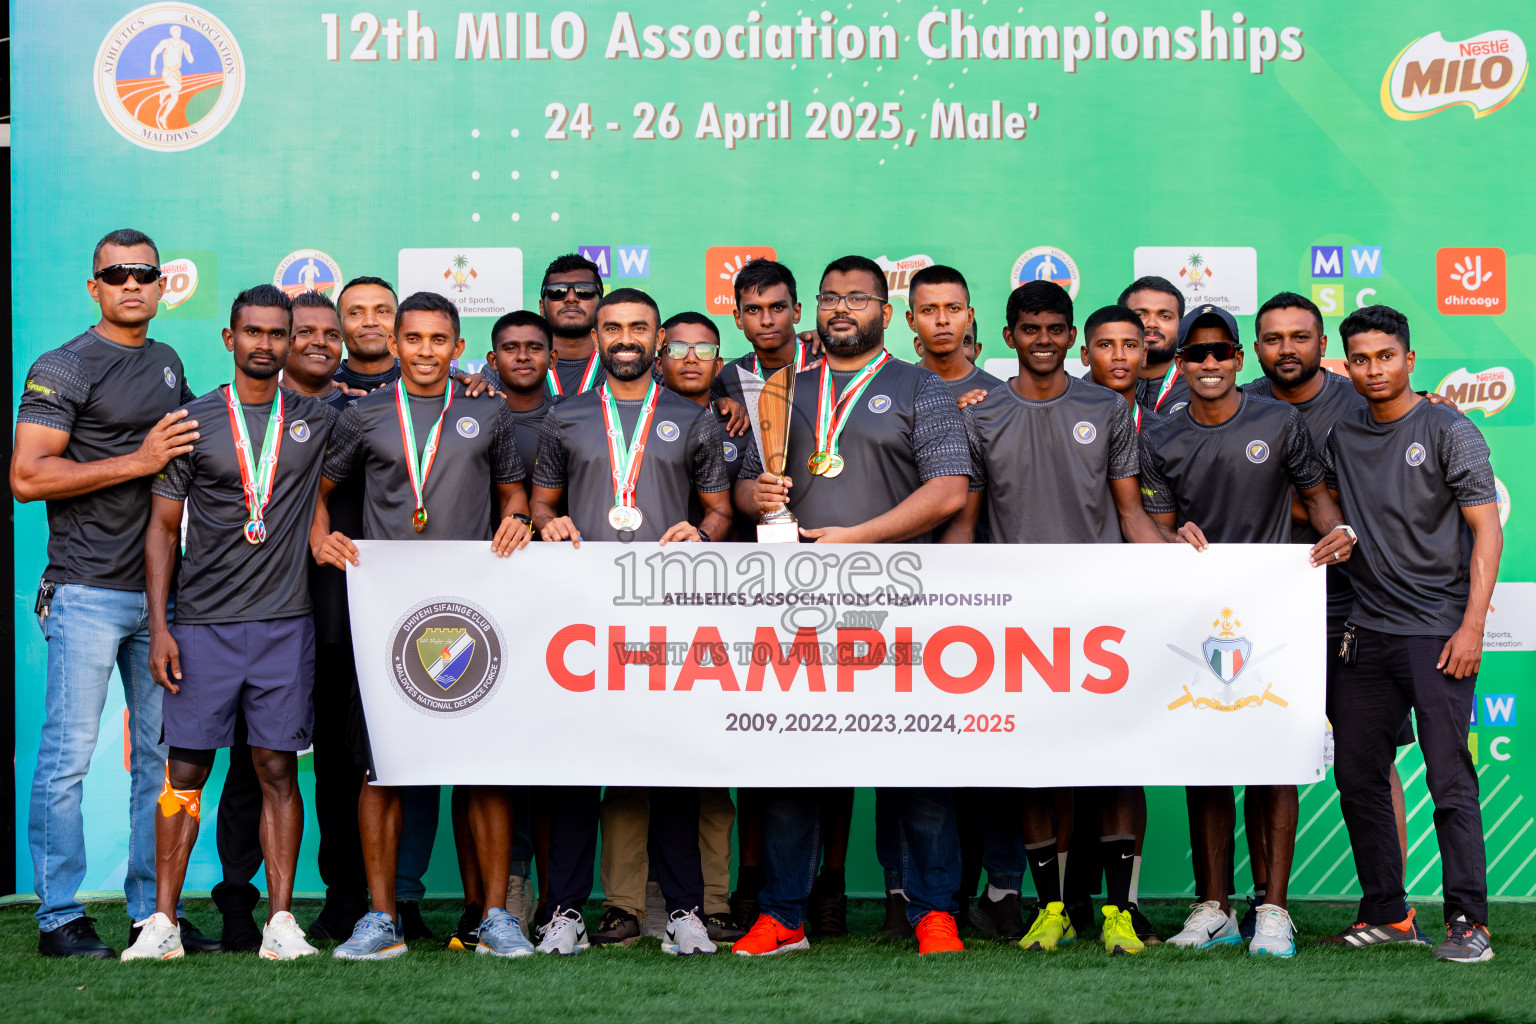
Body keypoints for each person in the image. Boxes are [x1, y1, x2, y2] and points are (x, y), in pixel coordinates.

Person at [733, 255, 972, 957]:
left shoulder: (918, 386)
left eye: (858, 298)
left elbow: (949, 490)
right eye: (831, 298)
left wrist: (856, 541)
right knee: (793, 763)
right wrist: (761, 496)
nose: (843, 309)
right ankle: (783, 915)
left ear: (885, 312)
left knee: (919, 766)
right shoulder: (783, 387)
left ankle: (934, 911)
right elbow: (747, 484)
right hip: (800, 606)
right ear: (815, 309)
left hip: (900, 603)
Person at [12, 228, 217, 959]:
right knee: (68, 757)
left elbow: (210, 438)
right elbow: (28, 476)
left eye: (145, 273)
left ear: (163, 286)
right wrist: (138, 460)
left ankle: (149, 911)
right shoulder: (65, 365)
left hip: (163, 599)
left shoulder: (166, 362)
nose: (133, 284)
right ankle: (58, 916)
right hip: (87, 592)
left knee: (163, 763)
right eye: (116, 274)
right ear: (94, 286)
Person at [312, 291, 535, 959]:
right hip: (389, 616)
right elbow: (318, 494)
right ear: (396, 342)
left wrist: (518, 518)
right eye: (414, 339)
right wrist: (322, 539)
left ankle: (495, 915)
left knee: (484, 767)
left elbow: (512, 492)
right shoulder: (362, 416)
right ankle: (382, 920)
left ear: (457, 346)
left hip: (471, 615)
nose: (427, 351)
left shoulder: (486, 411)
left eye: (440, 340)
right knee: (381, 769)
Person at [124, 285, 338, 961]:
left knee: (276, 765)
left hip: (285, 625)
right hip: (204, 625)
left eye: (280, 333)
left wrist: (471, 386)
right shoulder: (189, 420)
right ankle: (162, 923)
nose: (268, 344)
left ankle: (280, 923)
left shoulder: (316, 419)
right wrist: (160, 627)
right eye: (255, 332)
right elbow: (160, 531)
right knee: (183, 770)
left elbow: (397, 418)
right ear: (229, 338)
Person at [948, 284, 1162, 956]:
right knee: (1038, 766)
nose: (1044, 339)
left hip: (1102, 614)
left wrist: (1188, 574)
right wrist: (948, 600)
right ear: (1008, 336)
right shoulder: (980, 413)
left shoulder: (1106, 406)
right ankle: (1051, 910)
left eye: (1056, 329)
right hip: (1019, 621)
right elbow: (967, 522)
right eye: (1030, 328)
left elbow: (1130, 513)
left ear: (1072, 338)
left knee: (1116, 763)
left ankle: (1118, 912)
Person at [1138, 303, 1355, 958]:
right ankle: (1215, 908)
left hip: (1276, 609)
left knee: (1272, 758)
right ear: (1180, 364)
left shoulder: (1280, 421)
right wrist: (1173, 534)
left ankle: (1275, 910)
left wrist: (1336, 528)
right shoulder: (1162, 437)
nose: (1209, 363)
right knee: (1205, 758)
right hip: (1195, 615)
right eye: (1195, 353)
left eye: (1220, 351)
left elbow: (1314, 494)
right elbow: (1158, 526)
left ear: (1238, 358)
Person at [529, 287, 732, 957]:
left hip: (664, 617)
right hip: (580, 620)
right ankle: (563, 909)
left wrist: (702, 533)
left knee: (668, 761)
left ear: (658, 340)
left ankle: (682, 912)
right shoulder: (565, 416)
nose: (623, 338)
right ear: (597, 330)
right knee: (573, 768)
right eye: (612, 326)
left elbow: (720, 511)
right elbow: (541, 504)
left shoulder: (691, 417)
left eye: (637, 328)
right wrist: (545, 521)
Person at [1323, 305, 1502, 963]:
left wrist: (1471, 628)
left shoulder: (1449, 428)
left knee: (1449, 777)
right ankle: (1388, 913)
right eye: (1361, 359)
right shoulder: (1342, 436)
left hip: (1438, 632)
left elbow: (1488, 527)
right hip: (1365, 631)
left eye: (1386, 356)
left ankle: (1469, 922)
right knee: (1358, 774)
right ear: (1347, 366)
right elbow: (1314, 501)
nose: (1374, 369)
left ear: (1409, 360)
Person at [211, 290, 369, 952]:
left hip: (337, 617)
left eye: (328, 333)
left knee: (338, 768)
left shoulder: (360, 417)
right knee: (254, 766)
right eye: (301, 331)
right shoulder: (231, 416)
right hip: (258, 615)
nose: (316, 341)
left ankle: (343, 903)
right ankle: (238, 905)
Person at [1066, 305, 1160, 945]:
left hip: (1143, 606)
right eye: (1107, 346)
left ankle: (1123, 903)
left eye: (1134, 345)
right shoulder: (1045, 407)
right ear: (1085, 352)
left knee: (1127, 756)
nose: (1122, 357)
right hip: (1066, 604)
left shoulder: (1170, 422)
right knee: (1067, 754)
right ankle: (1069, 901)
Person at [711, 258, 815, 436]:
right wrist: (717, 403)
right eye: (753, 310)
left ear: (796, 312)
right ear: (738, 318)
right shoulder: (729, 376)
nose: (767, 321)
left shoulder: (824, 358)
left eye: (777, 307)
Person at [540, 253, 607, 397]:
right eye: (557, 292)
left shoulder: (626, 363)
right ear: (541, 307)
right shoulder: (512, 367)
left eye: (585, 291)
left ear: (602, 305)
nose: (571, 298)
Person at [1119, 276, 1187, 417]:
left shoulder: (1199, 387)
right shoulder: (1095, 385)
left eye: (1165, 316)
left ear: (1181, 325)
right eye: (1140, 314)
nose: (1152, 323)